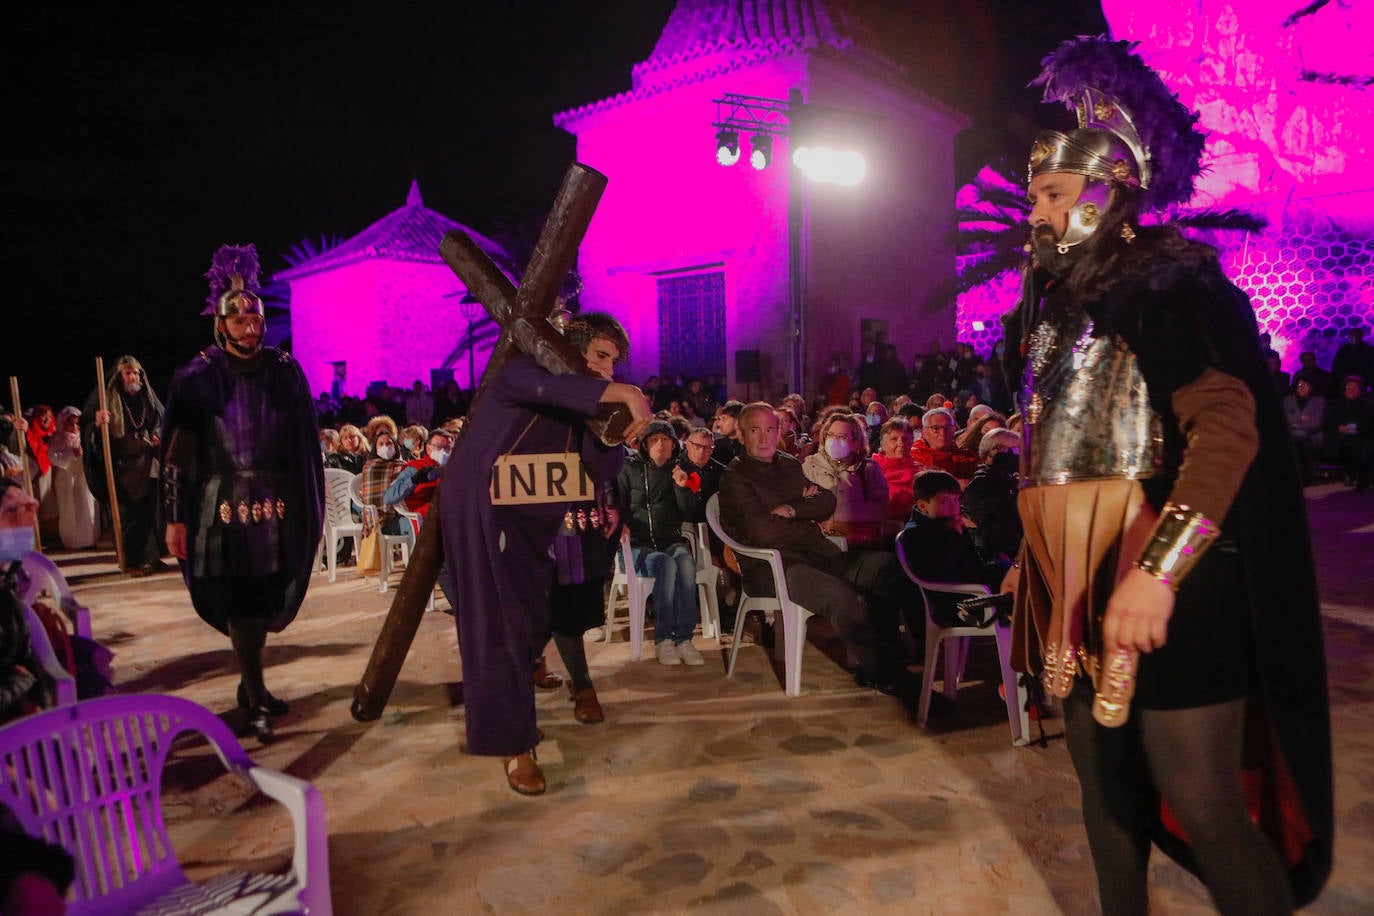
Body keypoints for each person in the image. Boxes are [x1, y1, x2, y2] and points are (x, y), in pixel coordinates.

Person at [1001, 37, 1330, 914]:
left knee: (1206, 805)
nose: (1036, 211)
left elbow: (1226, 430)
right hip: (1069, 580)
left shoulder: (1171, 284)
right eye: (1036, 193)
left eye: (1054, 193)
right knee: (1103, 794)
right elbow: (1051, 445)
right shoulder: (1053, 308)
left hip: (1172, 575)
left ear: (1109, 195)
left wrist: (1157, 572)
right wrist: (1031, 559)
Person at [438, 311, 651, 796]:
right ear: (571, 350)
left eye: (614, 363)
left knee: (535, 615)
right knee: (500, 626)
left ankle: (529, 673)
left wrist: (616, 430)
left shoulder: (585, 402)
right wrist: (623, 394)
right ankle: (516, 745)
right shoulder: (521, 372)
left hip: (535, 528)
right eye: (599, 355)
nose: (606, 370)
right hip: (482, 513)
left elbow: (599, 466)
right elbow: (556, 390)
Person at [160, 244, 324, 740]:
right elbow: (177, 456)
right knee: (240, 604)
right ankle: (253, 700)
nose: (250, 327)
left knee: (263, 599)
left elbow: (302, 445)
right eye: (239, 321)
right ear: (221, 324)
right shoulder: (198, 376)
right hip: (220, 512)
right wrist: (174, 516)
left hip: (274, 508)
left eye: (255, 319)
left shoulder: (285, 371)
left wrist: (305, 506)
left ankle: (251, 686)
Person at [717, 403, 909, 696]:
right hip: (772, 567)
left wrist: (793, 508)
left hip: (816, 554)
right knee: (839, 595)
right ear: (741, 435)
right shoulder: (736, 478)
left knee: (884, 567)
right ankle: (885, 673)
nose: (765, 437)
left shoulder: (789, 464)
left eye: (770, 429)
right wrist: (809, 526)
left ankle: (883, 653)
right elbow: (764, 531)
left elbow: (826, 501)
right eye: (755, 430)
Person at [618, 420, 702, 665]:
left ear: (674, 445)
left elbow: (690, 513)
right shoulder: (628, 468)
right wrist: (621, 524)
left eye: (666, 440)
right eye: (654, 439)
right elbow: (617, 503)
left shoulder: (681, 469)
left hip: (669, 541)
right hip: (635, 545)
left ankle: (684, 639)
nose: (660, 445)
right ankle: (663, 639)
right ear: (644, 444)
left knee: (685, 562)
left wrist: (682, 487)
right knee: (665, 563)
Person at [84, 355, 167, 577]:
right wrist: (97, 423)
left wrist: (158, 434)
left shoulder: (147, 397)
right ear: (120, 377)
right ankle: (133, 561)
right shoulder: (107, 399)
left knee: (149, 511)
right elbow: (88, 431)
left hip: (146, 462)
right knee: (129, 515)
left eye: (137, 373)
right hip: (122, 468)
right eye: (129, 373)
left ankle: (151, 556)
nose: (134, 376)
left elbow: (160, 419)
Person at [898, 470, 1012, 625]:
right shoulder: (915, 534)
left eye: (956, 500)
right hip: (956, 603)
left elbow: (974, 562)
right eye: (945, 502)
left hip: (975, 588)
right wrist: (954, 536)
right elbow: (938, 571)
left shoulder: (951, 525)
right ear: (923, 506)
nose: (954, 507)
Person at [0, 480, 48, 724]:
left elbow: (21, 655)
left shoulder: (7, 583)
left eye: (29, 509)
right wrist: (22, 681)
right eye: (11, 512)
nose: (27, 521)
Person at [960, 428, 1023, 563]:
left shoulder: (1011, 480)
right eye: (1000, 448)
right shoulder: (982, 483)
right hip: (993, 558)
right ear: (986, 454)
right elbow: (991, 529)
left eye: (1015, 449)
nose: (1008, 453)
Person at [46, 407, 99, 549]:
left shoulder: (84, 435)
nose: (74, 427)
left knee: (87, 506)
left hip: (83, 475)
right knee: (70, 507)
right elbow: (53, 457)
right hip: (67, 477)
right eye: (71, 423)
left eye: (76, 423)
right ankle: (72, 541)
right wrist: (71, 454)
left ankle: (89, 539)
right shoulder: (57, 437)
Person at [1322, 374, 1374, 489]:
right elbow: (1328, 421)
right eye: (1348, 388)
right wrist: (1339, 427)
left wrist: (1357, 429)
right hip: (1339, 437)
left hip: (1360, 436)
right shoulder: (1334, 404)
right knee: (1348, 446)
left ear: (1360, 390)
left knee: (1367, 446)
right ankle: (1351, 475)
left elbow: (1368, 424)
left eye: (1354, 388)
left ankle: (1362, 477)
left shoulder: (1367, 406)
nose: (1351, 390)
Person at [910, 408, 978, 480]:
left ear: (954, 430)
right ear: (924, 432)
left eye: (947, 428)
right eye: (936, 428)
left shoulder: (967, 456)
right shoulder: (913, 457)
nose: (943, 433)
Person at [872, 418, 917, 524]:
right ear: (883, 445)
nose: (901, 444)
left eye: (905, 439)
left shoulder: (920, 470)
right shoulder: (871, 469)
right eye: (894, 439)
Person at [1283, 378, 1325, 486]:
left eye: (1305, 385)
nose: (1301, 388)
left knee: (1303, 441)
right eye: (1299, 385)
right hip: (1292, 435)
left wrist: (1295, 423)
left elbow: (1315, 423)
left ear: (1311, 387)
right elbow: (1285, 419)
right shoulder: (1288, 400)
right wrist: (1301, 418)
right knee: (1294, 441)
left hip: (1312, 435)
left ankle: (1307, 477)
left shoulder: (1319, 401)